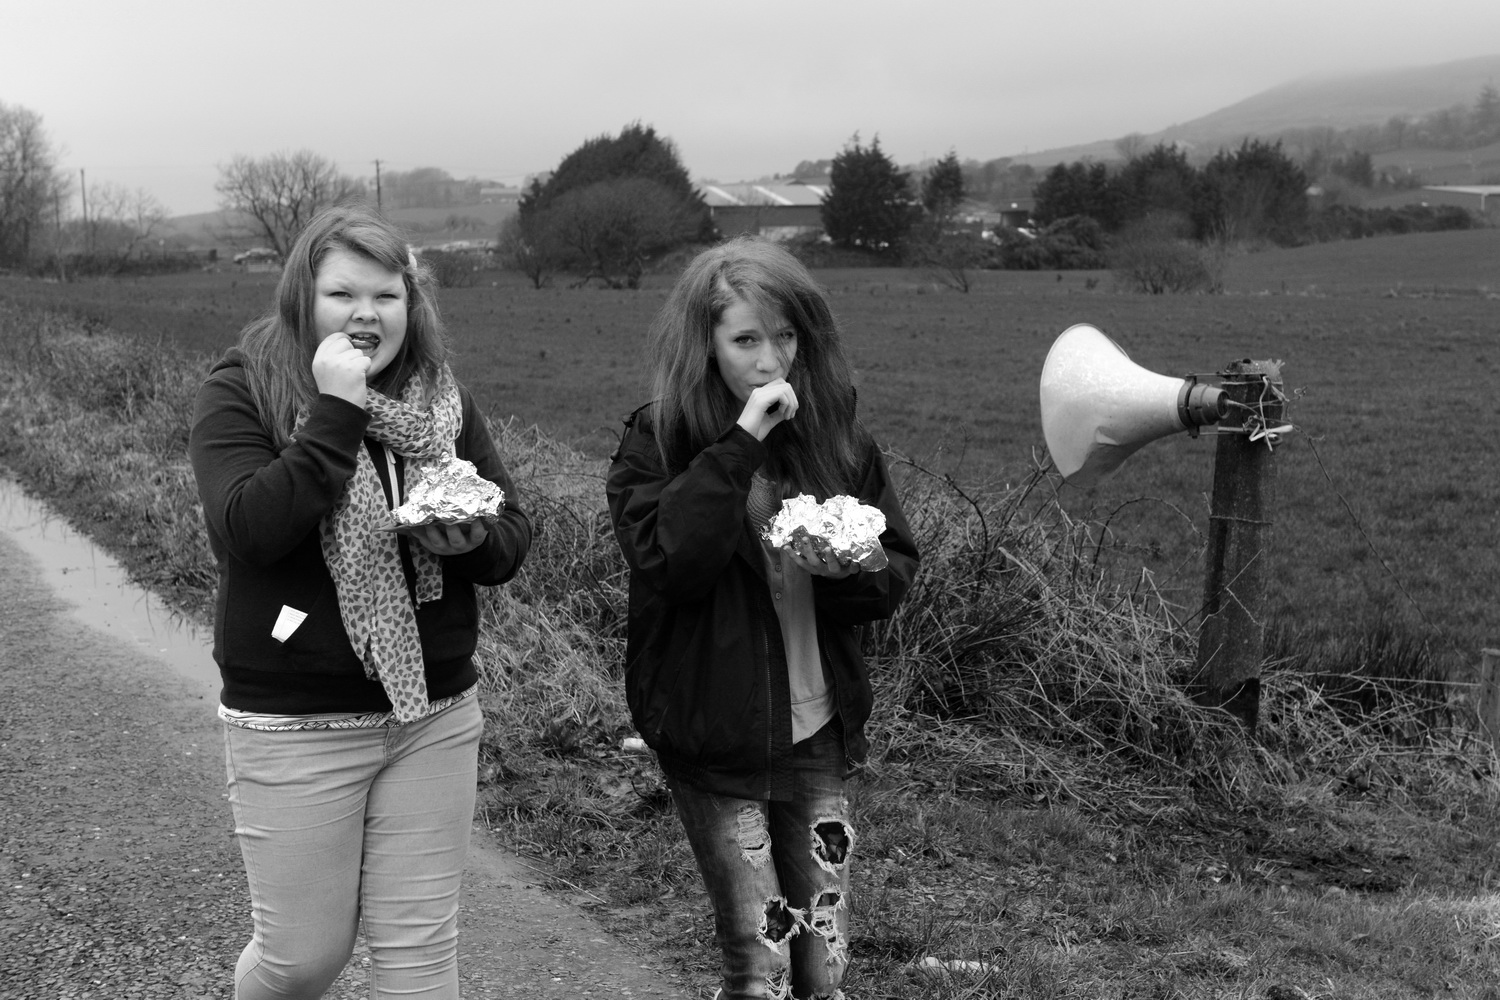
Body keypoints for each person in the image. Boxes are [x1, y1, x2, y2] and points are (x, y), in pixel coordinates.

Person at [188, 204, 531, 999]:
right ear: (304, 296)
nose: (367, 315)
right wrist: (337, 412)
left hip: (434, 713)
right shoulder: (246, 387)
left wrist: (471, 541)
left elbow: (511, 530)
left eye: (387, 295)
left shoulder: (441, 403)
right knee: (302, 959)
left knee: (418, 957)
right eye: (344, 295)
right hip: (296, 716)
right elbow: (248, 529)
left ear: (413, 305)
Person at [606, 236, 919, 999]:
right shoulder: (661, 439)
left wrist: (856, 570)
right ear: (705, 344)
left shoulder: (839, 441)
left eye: (786, 337)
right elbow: (672, 561)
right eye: (746, 339)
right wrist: (742, 441)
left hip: (818, 734)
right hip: (717, 736)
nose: (771, 359)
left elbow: (893, 571)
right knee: (764, 961)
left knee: (824, 960)